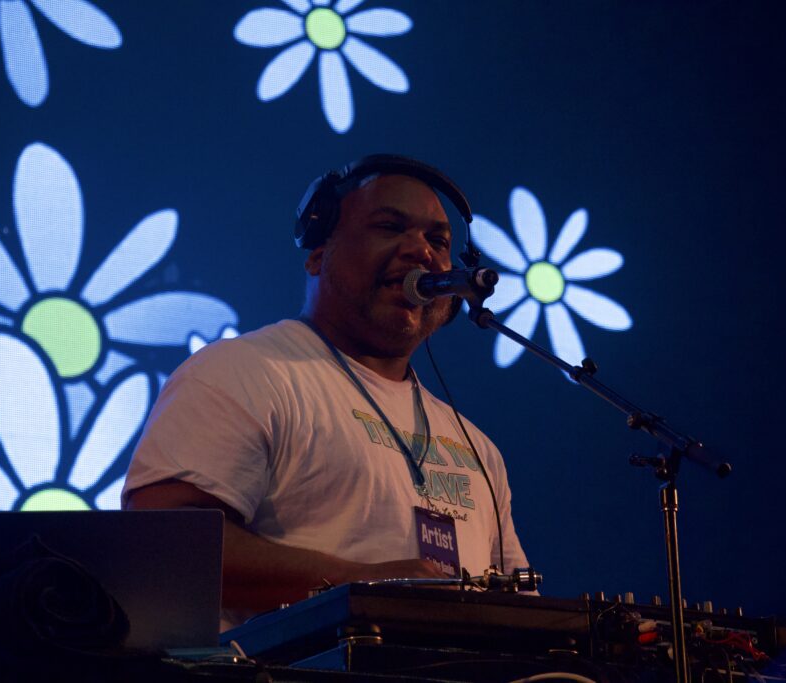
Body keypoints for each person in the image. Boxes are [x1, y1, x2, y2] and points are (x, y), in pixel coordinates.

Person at [123, 156, 529, 627]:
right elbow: (160, 546)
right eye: (389, 227)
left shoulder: (479, 449)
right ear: (318, 253)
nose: (420, 251)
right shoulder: (241, 372)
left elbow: (520, 609)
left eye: (438, 241)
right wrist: (363, 588)